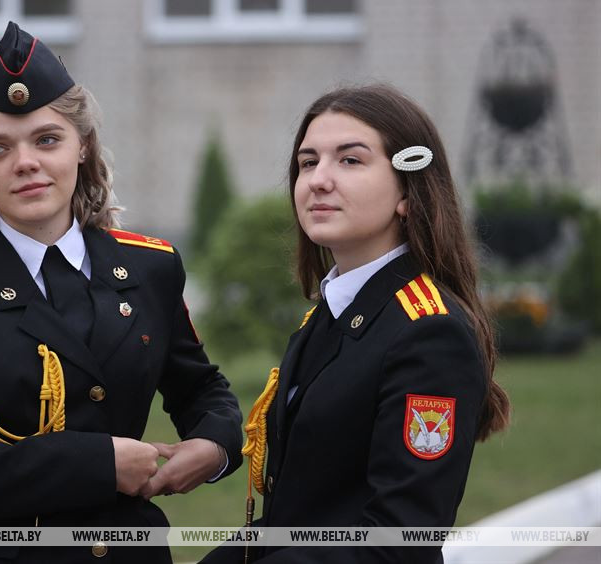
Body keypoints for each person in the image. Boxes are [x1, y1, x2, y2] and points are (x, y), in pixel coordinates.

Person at [0, 22, 242, 563]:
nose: (25, 162)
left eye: (47, 139)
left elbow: (198, 386)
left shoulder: (151, 266)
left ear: (83, 146)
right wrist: (99, 465)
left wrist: (214, 444)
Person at [202, 84, 509, 563]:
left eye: (350, 160)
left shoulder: (428, 332)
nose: (318, 180)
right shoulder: (330, 313)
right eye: (308, 163)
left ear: (407, 192)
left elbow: (398, 539)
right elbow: (297, 518)